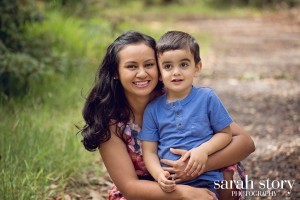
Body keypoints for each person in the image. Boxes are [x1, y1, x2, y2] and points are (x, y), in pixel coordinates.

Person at [80, 30, 255, 200]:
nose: (142, 73)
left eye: (149, 64)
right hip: (154, 189)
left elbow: (245, 143)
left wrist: (194, 167)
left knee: (226, 173)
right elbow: (130, 188)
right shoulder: (111, 122)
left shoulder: (178, 95)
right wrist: (185, 193)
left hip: (203, 173)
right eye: (131, 66)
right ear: (116, 73)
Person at [138, 31, 233, 197]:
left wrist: (203, 150)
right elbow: (149, 152)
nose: (176, 72)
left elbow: (225, 134)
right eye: (168, 66)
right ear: (160, 74)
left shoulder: (207, 98)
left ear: (197, 68)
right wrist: (159, 175)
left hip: (206, 179)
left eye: (183, 64)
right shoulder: (152, 109)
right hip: (171, 185)